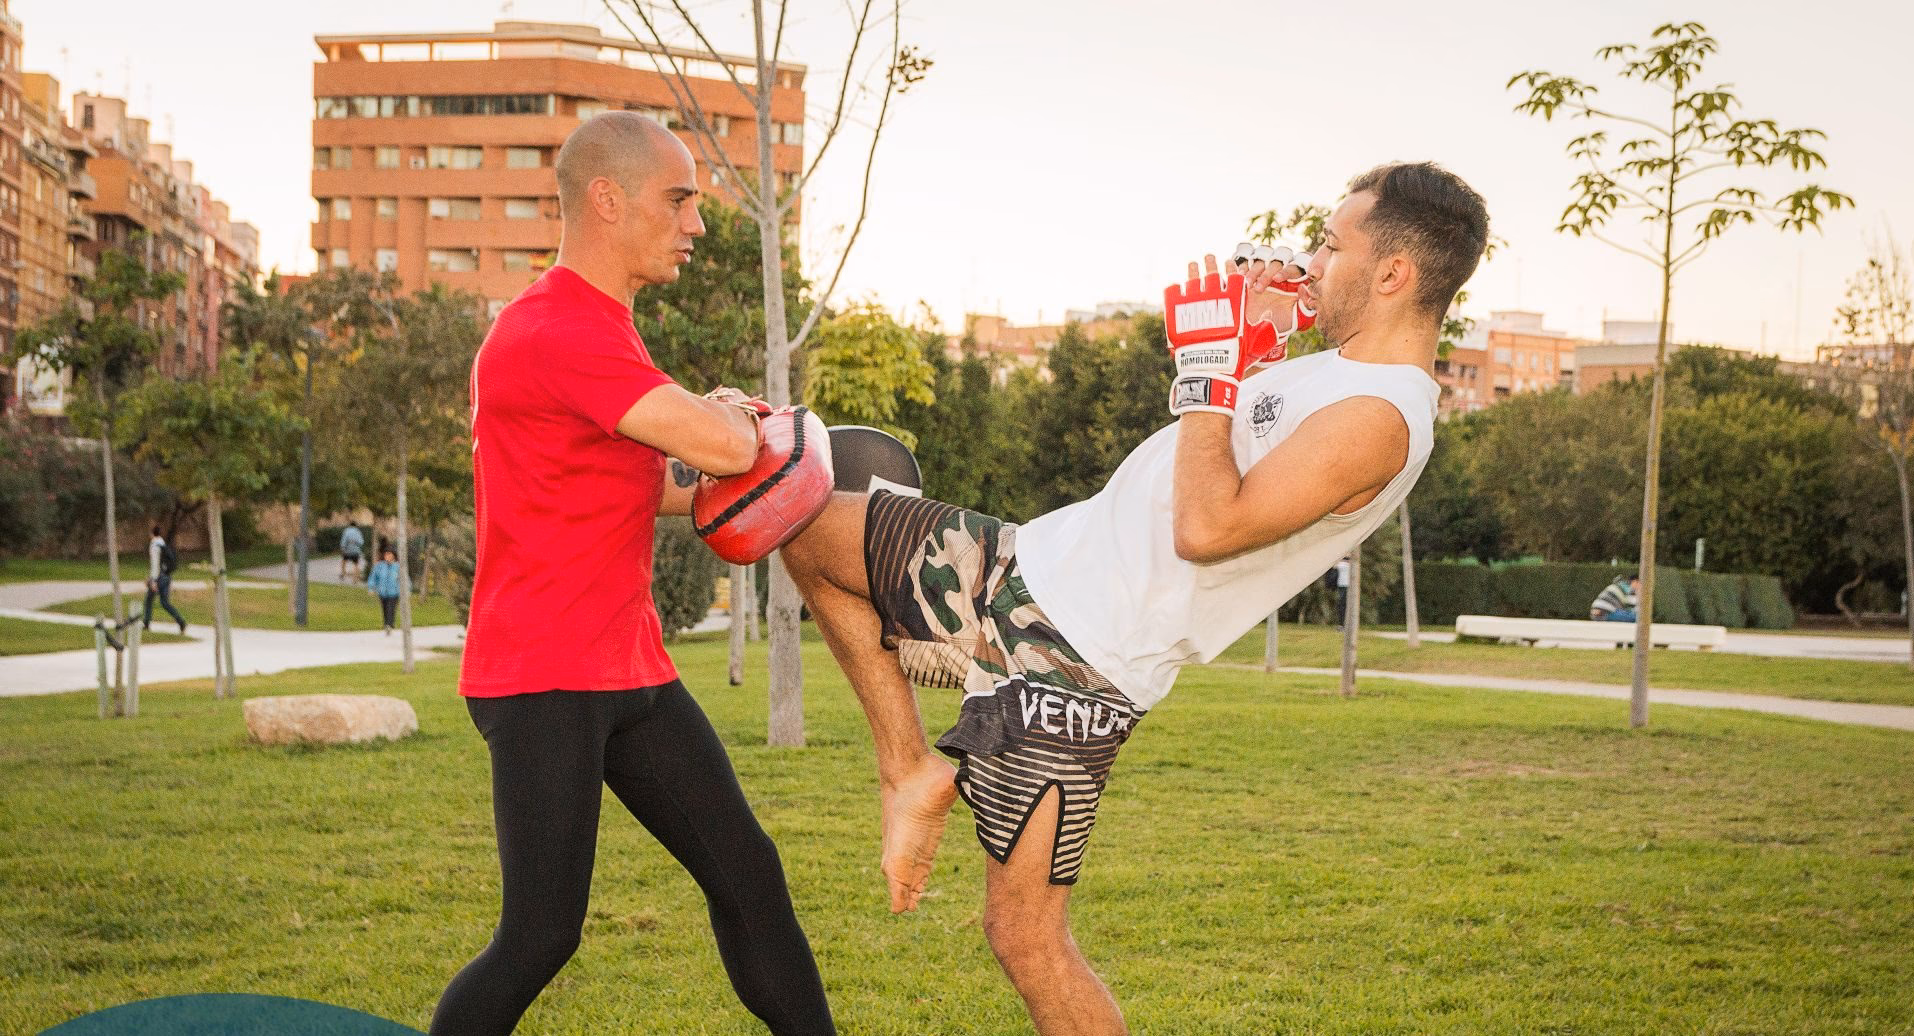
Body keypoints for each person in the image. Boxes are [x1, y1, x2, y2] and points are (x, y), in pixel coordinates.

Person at [779, 161, 1489, 1034]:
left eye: (1330, 245)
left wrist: (1208, 370)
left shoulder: (1381, 418)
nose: (1309, 259)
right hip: (1030, 564)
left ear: (1392, 275)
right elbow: (1209, 452)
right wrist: (1250, 347)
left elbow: (1206, 526)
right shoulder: (1335, 375)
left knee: (1026, 940)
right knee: (805, 521)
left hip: (1079, 662)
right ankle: (910, 767)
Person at [431, 111, 835, 1036]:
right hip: (544, 677)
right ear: (607, 200)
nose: (696, 222)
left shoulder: (599, 328)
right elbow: (724, 447)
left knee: (748, 872)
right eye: (680, 199)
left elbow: (646, 481)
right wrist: (736, 424)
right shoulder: (555, 328)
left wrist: (722, 438)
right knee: (539, 935)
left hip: (628, 671)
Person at [142, 525, 187, 634]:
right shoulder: (163, 544)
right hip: (166, 576)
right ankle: (181, 621)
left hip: (158, 577)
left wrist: (152, 580)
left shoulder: (154, 546)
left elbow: (155, 565)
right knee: (165, 602)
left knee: (148, 601)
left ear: (152, 534)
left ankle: (146, 623)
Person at [365, 547, 401, 633]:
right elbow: (373, 577)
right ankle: (386, 624)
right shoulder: (379, 566)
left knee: (391, 608)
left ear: (393, 556)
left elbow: (404, 579)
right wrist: (371, 588)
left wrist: (406, 590)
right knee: (384, 608)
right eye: (386, 555)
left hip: (394, 592)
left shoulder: (398, 567)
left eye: (389, 554)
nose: (387, 556)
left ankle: (389, 624)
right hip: (382, 592)